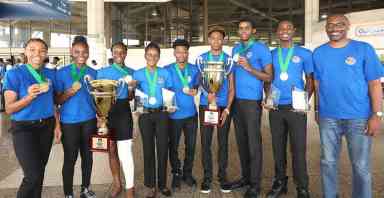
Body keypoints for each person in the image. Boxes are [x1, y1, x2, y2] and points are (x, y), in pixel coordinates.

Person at [313, 14, 383, 198]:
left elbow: (374, 83)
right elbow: (317, 84)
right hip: (329, 117)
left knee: (361, 166)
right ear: (326, 28)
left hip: (358, 117)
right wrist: (317, 109)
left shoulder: (363, 49)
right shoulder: (319, 53)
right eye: (330, 24)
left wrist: (377, 114)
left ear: (348, 26)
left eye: (339, 24)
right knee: (327, 162)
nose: (334, 28)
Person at [3, 38, 59, 198]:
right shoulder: (14, 74)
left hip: (46, 127)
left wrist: (57, 126)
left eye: (42, 50)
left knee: (39, 172)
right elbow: (9, 108)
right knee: (32, 175)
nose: (37, 53)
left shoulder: (49, 74)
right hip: (24, 128)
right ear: (25, 52)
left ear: (46, 54)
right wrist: (29, 97)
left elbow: (53, 103)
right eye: (32, 49)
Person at [264, 20, 313, 198]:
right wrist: (268, 97)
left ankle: (302, 186)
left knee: (298, 149)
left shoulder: (305, 53)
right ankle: (280, 182)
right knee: (278, 148)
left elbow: (310, 80)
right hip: (276, 108)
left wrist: (305, 101)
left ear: (294, 31)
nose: (285, 31)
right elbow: (267, 79)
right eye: (281, 28)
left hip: (296, 109)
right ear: (277, 32)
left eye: (288, 28)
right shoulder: (270, 55)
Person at [229, 18, 273, 198]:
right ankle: (246, 178)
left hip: (252, 103)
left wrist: (249, 68)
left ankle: (255, 185)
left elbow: (269, 77)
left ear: (253, 30)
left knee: (254, 144)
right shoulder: (235, 49)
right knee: (241, 143)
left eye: (247, 28)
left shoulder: (261, 48)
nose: (243, 30)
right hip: (237, 102)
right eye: (240, 28)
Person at [55, 36, 98, 198]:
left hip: (89, 121)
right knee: (70, 159)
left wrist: (101, 116)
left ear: (88, 53)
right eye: (77, 52)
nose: (81, 55)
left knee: (88, 157)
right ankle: (68, 193)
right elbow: (57, 100)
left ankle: (85, 189)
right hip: (69, 123)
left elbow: (95, 99)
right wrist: (70, 91)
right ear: (71, 52)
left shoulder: (93, 72)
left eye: (84, 52)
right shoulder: (61, 73)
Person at [196, 27, 234, 194]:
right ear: (209, 40)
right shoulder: (201, 59)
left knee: (223, 142)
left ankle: (223, 176)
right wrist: (208, 95)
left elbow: (232, 88)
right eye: (213, 38)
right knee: (205, 142)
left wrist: (227, 109)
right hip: (206, 105)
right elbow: (198, 82)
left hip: (223, 106)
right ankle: (207, 177)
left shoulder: (228, 60)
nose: (216, 41)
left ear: (223, 40)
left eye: (220, 38)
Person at [133, 42, 172, 198]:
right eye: (149, 54)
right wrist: (138, 110)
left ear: (159, 57)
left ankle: (162, 184)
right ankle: (150, 185)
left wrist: (170, 106)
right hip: (145, 115)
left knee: (162, 149)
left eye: (155, 55)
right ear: (145, 56)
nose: (152, 57)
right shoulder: (138, 74)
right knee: (148, 149)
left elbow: (169, 92)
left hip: (162, 114)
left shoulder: (165, 73)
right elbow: (136, 93)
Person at [97, 42, 136, 198]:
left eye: (122, 52)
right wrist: (100, 118)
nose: (119, 54)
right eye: (116, 52)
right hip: (107, 112)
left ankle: (130, 189)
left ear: (126, 54)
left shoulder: (131, 72)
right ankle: (117, 184)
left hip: (123, 111)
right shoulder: (102, 72)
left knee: (125, 151)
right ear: (112, 53)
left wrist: (132, 87)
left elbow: (131, 97)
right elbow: (98, 97)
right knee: (111, 149)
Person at [164, 39, 199, 190]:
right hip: (174, 117)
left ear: (187, 53)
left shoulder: (194, 69)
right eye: (178, 51)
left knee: (190, 146)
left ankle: (187, 173)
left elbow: (197, 83)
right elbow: (163, 91)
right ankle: (176, 173)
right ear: (174, 53)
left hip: (191, 114)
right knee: (173, 146)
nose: (181, 54)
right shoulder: (167, 69)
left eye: (184, 51)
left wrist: (196, 89)